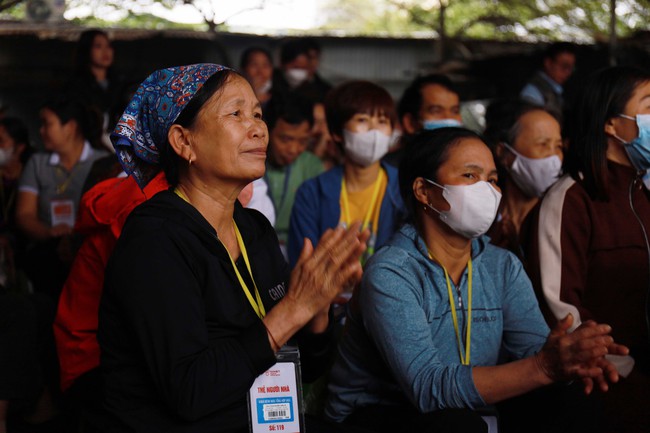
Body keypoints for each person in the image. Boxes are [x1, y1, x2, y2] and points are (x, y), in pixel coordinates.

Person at [97, 63, 370, 433]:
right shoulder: (155, 238)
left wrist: (317, 307)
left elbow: (307, 365)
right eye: (236, 114)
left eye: (258, 114)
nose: (258, 127)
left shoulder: (253, 227)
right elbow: (189, 392)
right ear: (183, 141)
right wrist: (293, 309)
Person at [325, 127, 627, 433]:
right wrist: (545, 365)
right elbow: (428, 389)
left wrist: (570, 357)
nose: (487, 190)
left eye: (493, 180)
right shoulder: (391, 272)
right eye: (470, 176)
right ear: (424, 191)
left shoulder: (502, 266)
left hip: (472, 410)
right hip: (375, 413)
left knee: (573, 398)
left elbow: (535, 356)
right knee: (457, 425)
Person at [526, 66, 650, 433]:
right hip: (604, 385)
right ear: (612, 124)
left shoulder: (643, 194)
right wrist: (624, 370)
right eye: (649, 104)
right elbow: (560, 309)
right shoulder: (570, 199)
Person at [288, 80, 406, 273]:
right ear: (337, 133)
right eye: (362, 120)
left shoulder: (403, 190)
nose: (374, 131)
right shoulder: (311, 193)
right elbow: (301, 265)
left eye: (382, 121)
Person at [16, 96, 108, 301]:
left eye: (47, 124)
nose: (41, 131)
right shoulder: (37, 163)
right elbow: (24, 215)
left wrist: (76, 239)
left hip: (90, 249)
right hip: (47, 249)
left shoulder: (103, 163)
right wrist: (49, 232)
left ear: (70, 127)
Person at [483, 100, 563, 259]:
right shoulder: (484, 216)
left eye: (558, 146)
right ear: (503, 152)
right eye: (542, 144)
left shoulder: (564, 215)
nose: (554, 157)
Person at [264, 94, 324, 255]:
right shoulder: (249, 162)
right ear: (266, 130)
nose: (293, 149)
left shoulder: (312, 167)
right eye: (285, 139)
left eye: (303, 141)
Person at [384, 74, 462, 168]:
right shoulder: (389, 171)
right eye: (436, 111)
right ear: (410, 123)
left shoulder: (466, 165)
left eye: (455, 111)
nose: (449, 118)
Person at [519, 42, 576, 121]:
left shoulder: (556, 89)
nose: (568, 72)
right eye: (564, 66)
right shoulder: (533, 93)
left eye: (571, 68)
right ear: (548, 63)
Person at [272, 38, 332, 104]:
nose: (299, 72)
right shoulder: (271, 85)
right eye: (296, 67)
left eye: (304, 68)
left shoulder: (323, 91)